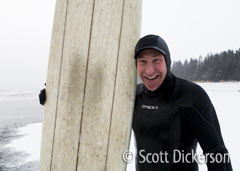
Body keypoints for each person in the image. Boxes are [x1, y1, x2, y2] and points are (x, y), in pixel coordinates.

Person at [39, 34, 233, 171]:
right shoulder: (133, 97)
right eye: (143, 62)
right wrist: (58, 97)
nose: (150, 71)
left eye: (156, 60)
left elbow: (217, 154)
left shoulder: (191, 96)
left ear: (167, 61)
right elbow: (92, 107)